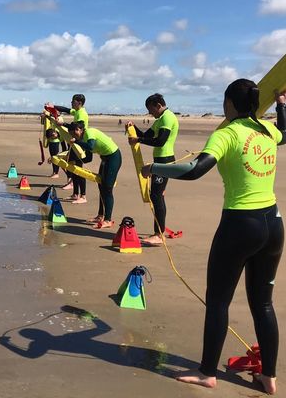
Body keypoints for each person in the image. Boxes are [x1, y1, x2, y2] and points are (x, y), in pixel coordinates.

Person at [141, 80, 286, 395]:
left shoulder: (227, 134)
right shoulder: (266, 131)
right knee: (263, 303)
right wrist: (283, 106)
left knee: (219, 301)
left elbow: (195, 169)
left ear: (230, 104)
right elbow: (285, 134)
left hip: (240, 225)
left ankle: (208, 372)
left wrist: (156, 168)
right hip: (273, 224)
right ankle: (269, 377)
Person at [127, 93, 179, 245]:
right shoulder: (160, 119)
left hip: (165, 161)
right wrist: (133, 127)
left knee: (156, 196)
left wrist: (139, 140)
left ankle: (159, 234)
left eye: (151, 110)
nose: (150, 113)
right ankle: (159, 231)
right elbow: (145, 135)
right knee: (157, 195)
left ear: (158, 105)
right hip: (159, 161)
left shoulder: (168, 118)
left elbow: (160, 142)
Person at [69, 121, 121, 226]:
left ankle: (108, 220)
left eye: (74, 134)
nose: (73, 136)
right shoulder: (84, 139)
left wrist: (76, 142)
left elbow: (90, 147)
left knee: (107, 189)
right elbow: (88, 159)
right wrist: (73, 161)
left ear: (79, 130)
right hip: (105, 159)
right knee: (101, 187)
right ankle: (100, 216)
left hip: (113, 157)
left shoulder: (89, 132)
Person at [52, 94, 89, 190]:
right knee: (71, 164)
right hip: (74, 140)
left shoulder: (82, 113)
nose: (71, 102)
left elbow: (77, 127)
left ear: (79, 103)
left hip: (80, 142)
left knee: (77, 167)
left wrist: (63, 124)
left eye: (73, 101)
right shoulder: (77, 111)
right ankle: (74, 190)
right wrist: (53, 107)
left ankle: (81, 194)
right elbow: (65, 109)